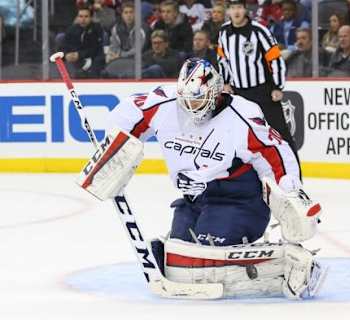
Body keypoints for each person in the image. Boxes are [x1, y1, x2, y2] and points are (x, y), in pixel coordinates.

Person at [85, 58, 325, 299]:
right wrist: (112, 149)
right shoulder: (164, 103)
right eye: (186, 98)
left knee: (204, 257)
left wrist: (290, 192)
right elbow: (128, 112)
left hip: (239, 199)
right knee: (178, 256)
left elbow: (277, 152)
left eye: (198, 98)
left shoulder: (242, 117)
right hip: (195, 199)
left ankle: (288, 264)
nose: (190, 105)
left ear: (215, 92)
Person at [217, 0, 301, 173]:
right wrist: (225, 82)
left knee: (280, 135)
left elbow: (275, 59)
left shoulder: (259, 31)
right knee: (239, 137)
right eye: (233, 8)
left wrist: (278, 86)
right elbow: (222, 59)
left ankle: (295, 177)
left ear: (246, 9)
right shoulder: (224, 32)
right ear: (228, 11)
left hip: (263, 92)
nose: (236, 11)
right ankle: (245, 178)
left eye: (239, 7)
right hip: (239, 94)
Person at [61, 5, 105, 78]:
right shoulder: (71, 30)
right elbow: (63, 46)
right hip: (74, 60)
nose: (83, 19)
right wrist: (66, 55)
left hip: (92, 59)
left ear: (91, 18)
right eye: (81, 16)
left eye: (86, 16)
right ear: (77, 18)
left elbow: (96, 48)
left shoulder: (97, 29)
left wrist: (79, 54)